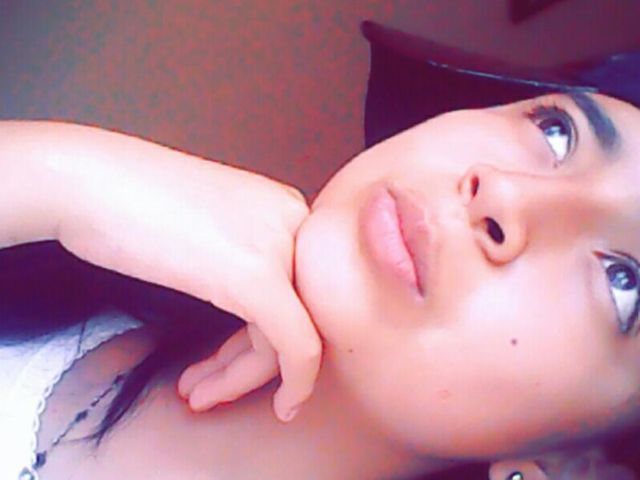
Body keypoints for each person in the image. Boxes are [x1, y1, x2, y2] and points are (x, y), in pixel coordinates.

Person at [2, 26, 640, 480]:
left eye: (624, 281)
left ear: (571, 467)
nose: (505, 192)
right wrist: (61, 178)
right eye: (557, 132)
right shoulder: (73, 260)